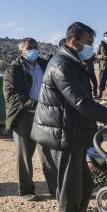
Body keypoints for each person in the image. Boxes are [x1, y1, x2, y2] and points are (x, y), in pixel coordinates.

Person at [30, 22, 107, 212]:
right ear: (73, 40)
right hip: (63, 137)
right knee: (70, 194)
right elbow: (82, 103)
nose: (91, 47)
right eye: (88, 42)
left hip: (73, 135)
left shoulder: (74, 63)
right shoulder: (61, 65)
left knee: (86, 187)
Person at [3, 37, 57, 201]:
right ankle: (26, 190)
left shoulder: (44, 65)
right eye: (29, 47)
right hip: (23, 117)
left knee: (48, 154)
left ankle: (56, 189)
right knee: (24, 155)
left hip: (44, 116)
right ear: (21, 51)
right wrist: (33, 104)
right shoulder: (13, 70)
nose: (33, 50)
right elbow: (12, 96)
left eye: (35, 47)